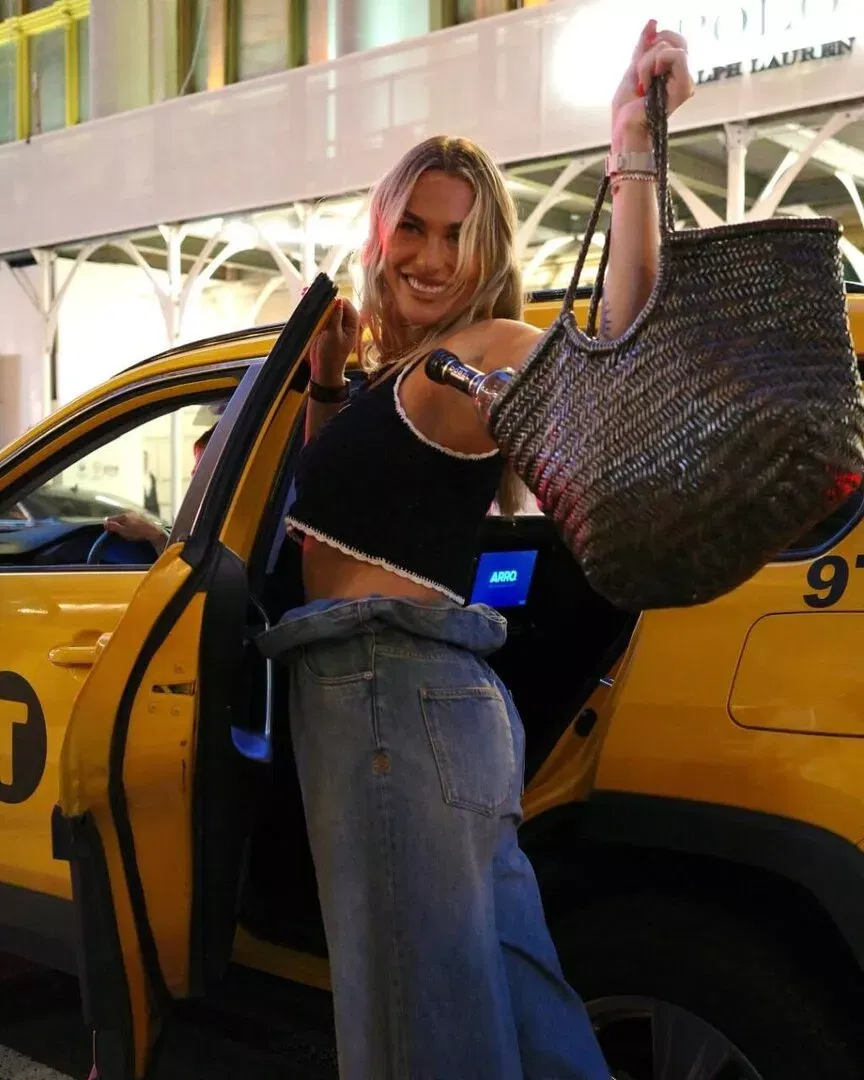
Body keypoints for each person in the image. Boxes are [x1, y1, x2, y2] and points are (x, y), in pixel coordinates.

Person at [258, 22, 694, 1080]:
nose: (432, 257)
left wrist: (632, 150)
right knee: (523, 1015)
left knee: (419, 1037)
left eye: (459, 235)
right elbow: (334, 519)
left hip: (391, 699)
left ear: (489, 251)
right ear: (381, 231)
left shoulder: (486, 351)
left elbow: (618, 349)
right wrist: (327, 385)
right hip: (421, 711)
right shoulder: (404, 374)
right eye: (413, 227)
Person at [103, 424, 216, 556]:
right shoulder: (212, 521)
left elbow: (192, 566)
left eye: (200, 468)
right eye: (195, 468)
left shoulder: (221, 525)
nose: (193, 474)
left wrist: (156, 535)